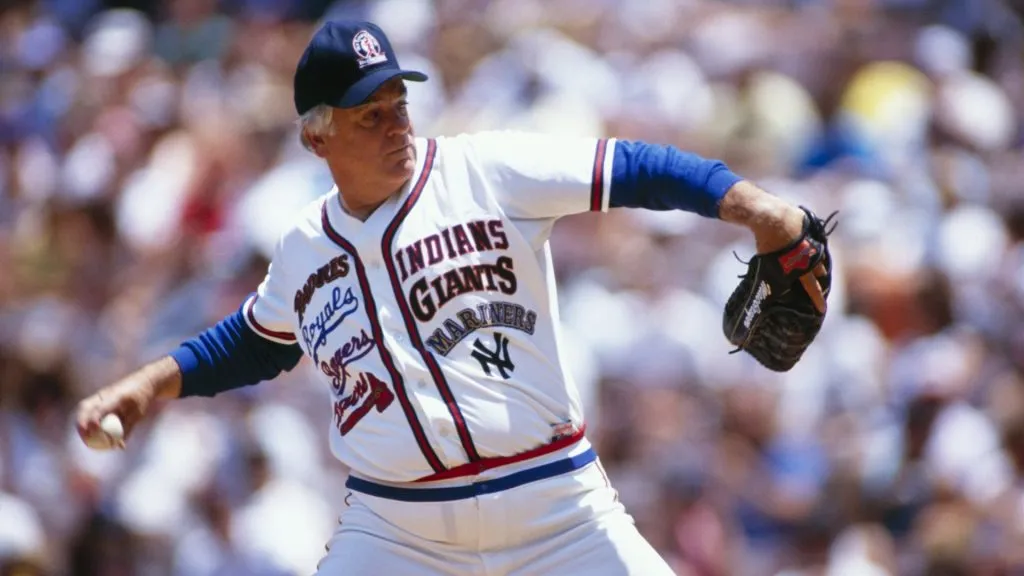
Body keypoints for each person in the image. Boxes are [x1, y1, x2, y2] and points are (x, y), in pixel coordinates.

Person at [75, 19, 828, 575]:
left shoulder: (487, 169)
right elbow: (254, 341)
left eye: (399, 103)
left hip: (556, 509)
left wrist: (753, 205)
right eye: (370, 115)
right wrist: (150, 384)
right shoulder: (304, 246)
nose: (396, 125)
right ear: (317, 138)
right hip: (398, 532)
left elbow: (634, 168)